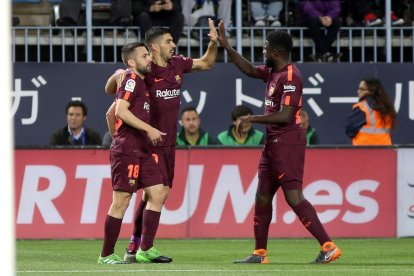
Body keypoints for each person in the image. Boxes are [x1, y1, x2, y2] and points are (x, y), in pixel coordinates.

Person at [217, 23, 341, 264]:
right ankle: (259, 253)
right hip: (272, 144)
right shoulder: (273, 72)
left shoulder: (292, 76)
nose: (263, 52)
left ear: (275, 51)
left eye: (265, 48)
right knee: (262, 197)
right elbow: (250, 71)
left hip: (288, 142)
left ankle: (329, 246)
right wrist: (227, 48)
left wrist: (253, 118)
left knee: (294, 196)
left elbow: (286, 115)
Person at [105, 19, 218, 263]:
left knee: (154, 196)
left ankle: (136, 248)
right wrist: (117, 75)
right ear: (154, 47)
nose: (174, 45)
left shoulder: (177, 65)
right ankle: (139, 246)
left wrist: (213, 43)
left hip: (169, 143)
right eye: (169, 41)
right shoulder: (142, 72)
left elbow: (208, 62)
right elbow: (114, 104)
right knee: (157, 194)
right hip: (147, 144)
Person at [98, 42, 172, 264]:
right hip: (129, 149)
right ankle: (106, 255)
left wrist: (116, 74)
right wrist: (145, 130)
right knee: (122, 200)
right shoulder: (131, 79)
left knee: (158, 192)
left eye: (149, 55)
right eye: (144, 56)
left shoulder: (136, 80)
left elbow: (110, 112)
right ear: (132, 61)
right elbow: (119, 111)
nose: (149, 58)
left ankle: (145, 249)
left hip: (142, 149)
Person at [345, 78, 397, 145]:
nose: (358, 91)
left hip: (364, 149)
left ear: (371, 91)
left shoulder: (362, 107)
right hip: (385, 149)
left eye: (362, 89)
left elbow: (349, 130)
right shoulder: (387, 107)